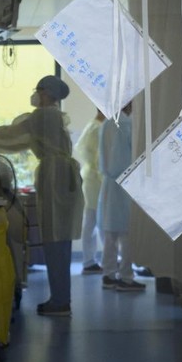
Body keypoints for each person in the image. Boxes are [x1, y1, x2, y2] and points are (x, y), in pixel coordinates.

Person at [0, 75, 83, 317]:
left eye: (38, 90)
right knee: (60, 240)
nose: (35, 94)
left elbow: (13, 134)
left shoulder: (43, 116)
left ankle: (60, 302)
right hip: (63, 178)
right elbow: (20, 140)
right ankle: (62, 299)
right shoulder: (54, 117)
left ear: (48, 93)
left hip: (54, 179)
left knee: (54, 240)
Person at [98, 103, 145, 291]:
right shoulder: (127, 124)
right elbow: (134, 155)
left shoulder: (107, 124)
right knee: (127, 233)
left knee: (110, 232)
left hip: (110, 182)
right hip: (126, 182)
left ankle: (108, 274)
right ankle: (126, 277)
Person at [74, 109, 105, 274]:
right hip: (97, 180)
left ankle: (89, 261)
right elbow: (101, 160)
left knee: (91, 221)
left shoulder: (91, 125)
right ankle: (98, 261)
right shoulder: (100, 129)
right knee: (100, 222)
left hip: (89, 178)